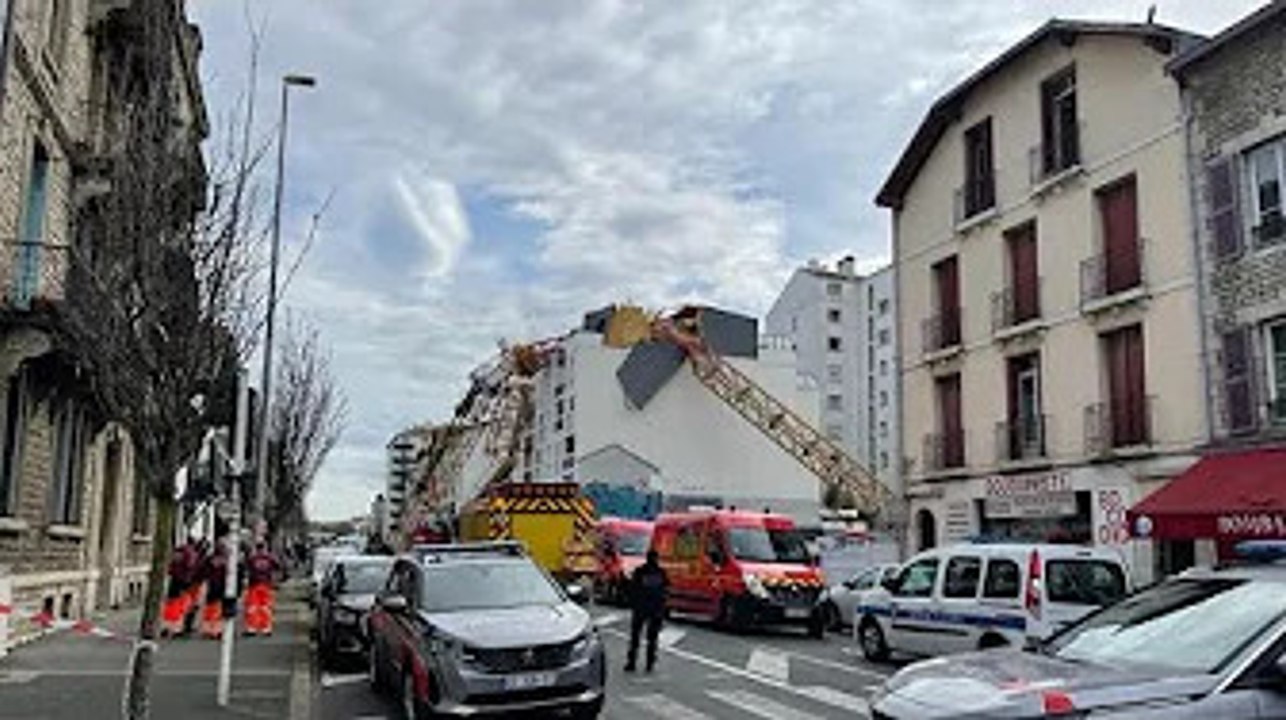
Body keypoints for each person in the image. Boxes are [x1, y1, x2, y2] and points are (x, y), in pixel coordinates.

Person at [624, 550, 668, 673]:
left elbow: (633, 588)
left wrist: (633, 603)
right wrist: (662, 608)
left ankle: (632, 662)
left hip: (641, 608)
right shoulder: (661, 573)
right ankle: (650, 663)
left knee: (635, 637)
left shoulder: (640, 571)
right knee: (652, 638)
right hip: (655, 609)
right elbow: (665, 591)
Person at [161, 538, 197, 637]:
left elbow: (170, 568)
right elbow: (190, 566)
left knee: (170, 605)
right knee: (181, 606)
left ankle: (166, 627)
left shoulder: (177, 553)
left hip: (174, 582)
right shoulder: (190, 553)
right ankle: (177, 629)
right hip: (184, 582)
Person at [243, 541, 280, 636]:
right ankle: (266, 628)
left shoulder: (252, 558)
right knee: (266, 607)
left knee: (252, 607)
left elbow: (246, 570)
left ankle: (252, 628)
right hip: (266, 585)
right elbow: (278, 567)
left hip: (254, 585)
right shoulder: (270, 558)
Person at [199, 540, 229, 639]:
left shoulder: (209, 559)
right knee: (218, 610)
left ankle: (207, 630)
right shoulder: (226, 561)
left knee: (209, 609)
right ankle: (217, 630)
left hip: (211, 586)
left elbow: (203, 571)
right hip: (221, 587)